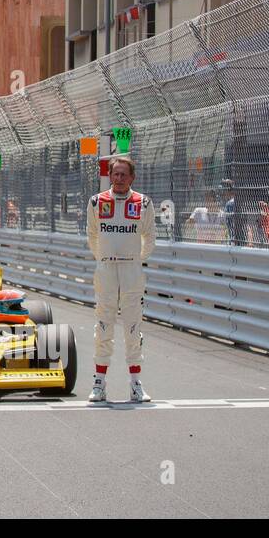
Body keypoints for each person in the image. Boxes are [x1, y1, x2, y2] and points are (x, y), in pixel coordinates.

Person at [86, 156, 156, 404]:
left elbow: (149, 236)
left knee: (133, 326)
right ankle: (99, 382)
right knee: (103, 324)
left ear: (132, 177)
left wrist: (136, 259)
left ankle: (136, 383)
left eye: (124, 174)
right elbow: (92, 236)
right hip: (106, 269)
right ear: (109, 175)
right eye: (115, 174)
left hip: (131, 271)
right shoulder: (96, 201)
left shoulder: (143, 203)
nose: (119, 178)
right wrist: (104, 258)